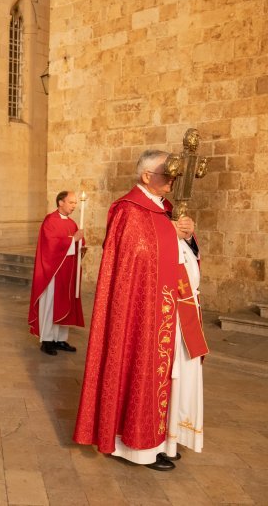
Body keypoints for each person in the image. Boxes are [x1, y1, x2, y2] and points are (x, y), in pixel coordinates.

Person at [73, 149, 207, 471]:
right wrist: (168, 233)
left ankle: (166, 440)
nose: (173, 181)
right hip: (142, 313)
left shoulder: (167, 210)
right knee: (142, 368)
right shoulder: (128, 210)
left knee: (172, 372)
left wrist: (187, 235)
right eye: (167, 174)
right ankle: (137, 447)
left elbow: (180, 252)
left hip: (175, 305)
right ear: (147, 176)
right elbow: (137, 254)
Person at [28, 191, 85, 355]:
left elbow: (77, 242)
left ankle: (60, 339)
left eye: (75, 203)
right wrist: (73, 240)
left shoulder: (73, 224)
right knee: (51, 305)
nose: (74, 206)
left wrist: (81, 246)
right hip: (53, 272)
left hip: (68, 272)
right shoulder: (50, 221)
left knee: (65, 304)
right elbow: (50, 245)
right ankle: (46, 340)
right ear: (61, 202)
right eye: (71, 202)